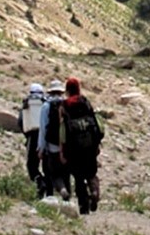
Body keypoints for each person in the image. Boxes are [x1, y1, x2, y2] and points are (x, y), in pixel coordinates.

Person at [60, 76, 104, 215]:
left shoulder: (64, 105)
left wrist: (62, 150)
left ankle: (83, 206)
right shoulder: (85, 102)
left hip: (74, 148)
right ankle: (95, 191)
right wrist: (97, 143)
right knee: (91, 173)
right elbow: (96, 123)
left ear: (67, 90)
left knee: (78, 177)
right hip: (90, 145)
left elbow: (63, 130)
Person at [37, 79, 71, 201]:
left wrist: (41, 148)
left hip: (52, 146)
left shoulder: (46, 106)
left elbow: (43, 128)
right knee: (66, 173)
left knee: (54, 173)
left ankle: (58, 192)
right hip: (67, 146)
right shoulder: (67, 105)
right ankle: (68, 199)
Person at [17, 82, 48, 198]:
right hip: (47, 137)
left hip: (33, 137)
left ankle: (40, 182)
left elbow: (21, 122)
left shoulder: (27, 104)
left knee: (32, 165)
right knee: (47, 165)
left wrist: (27, 135)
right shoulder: (46, 103)